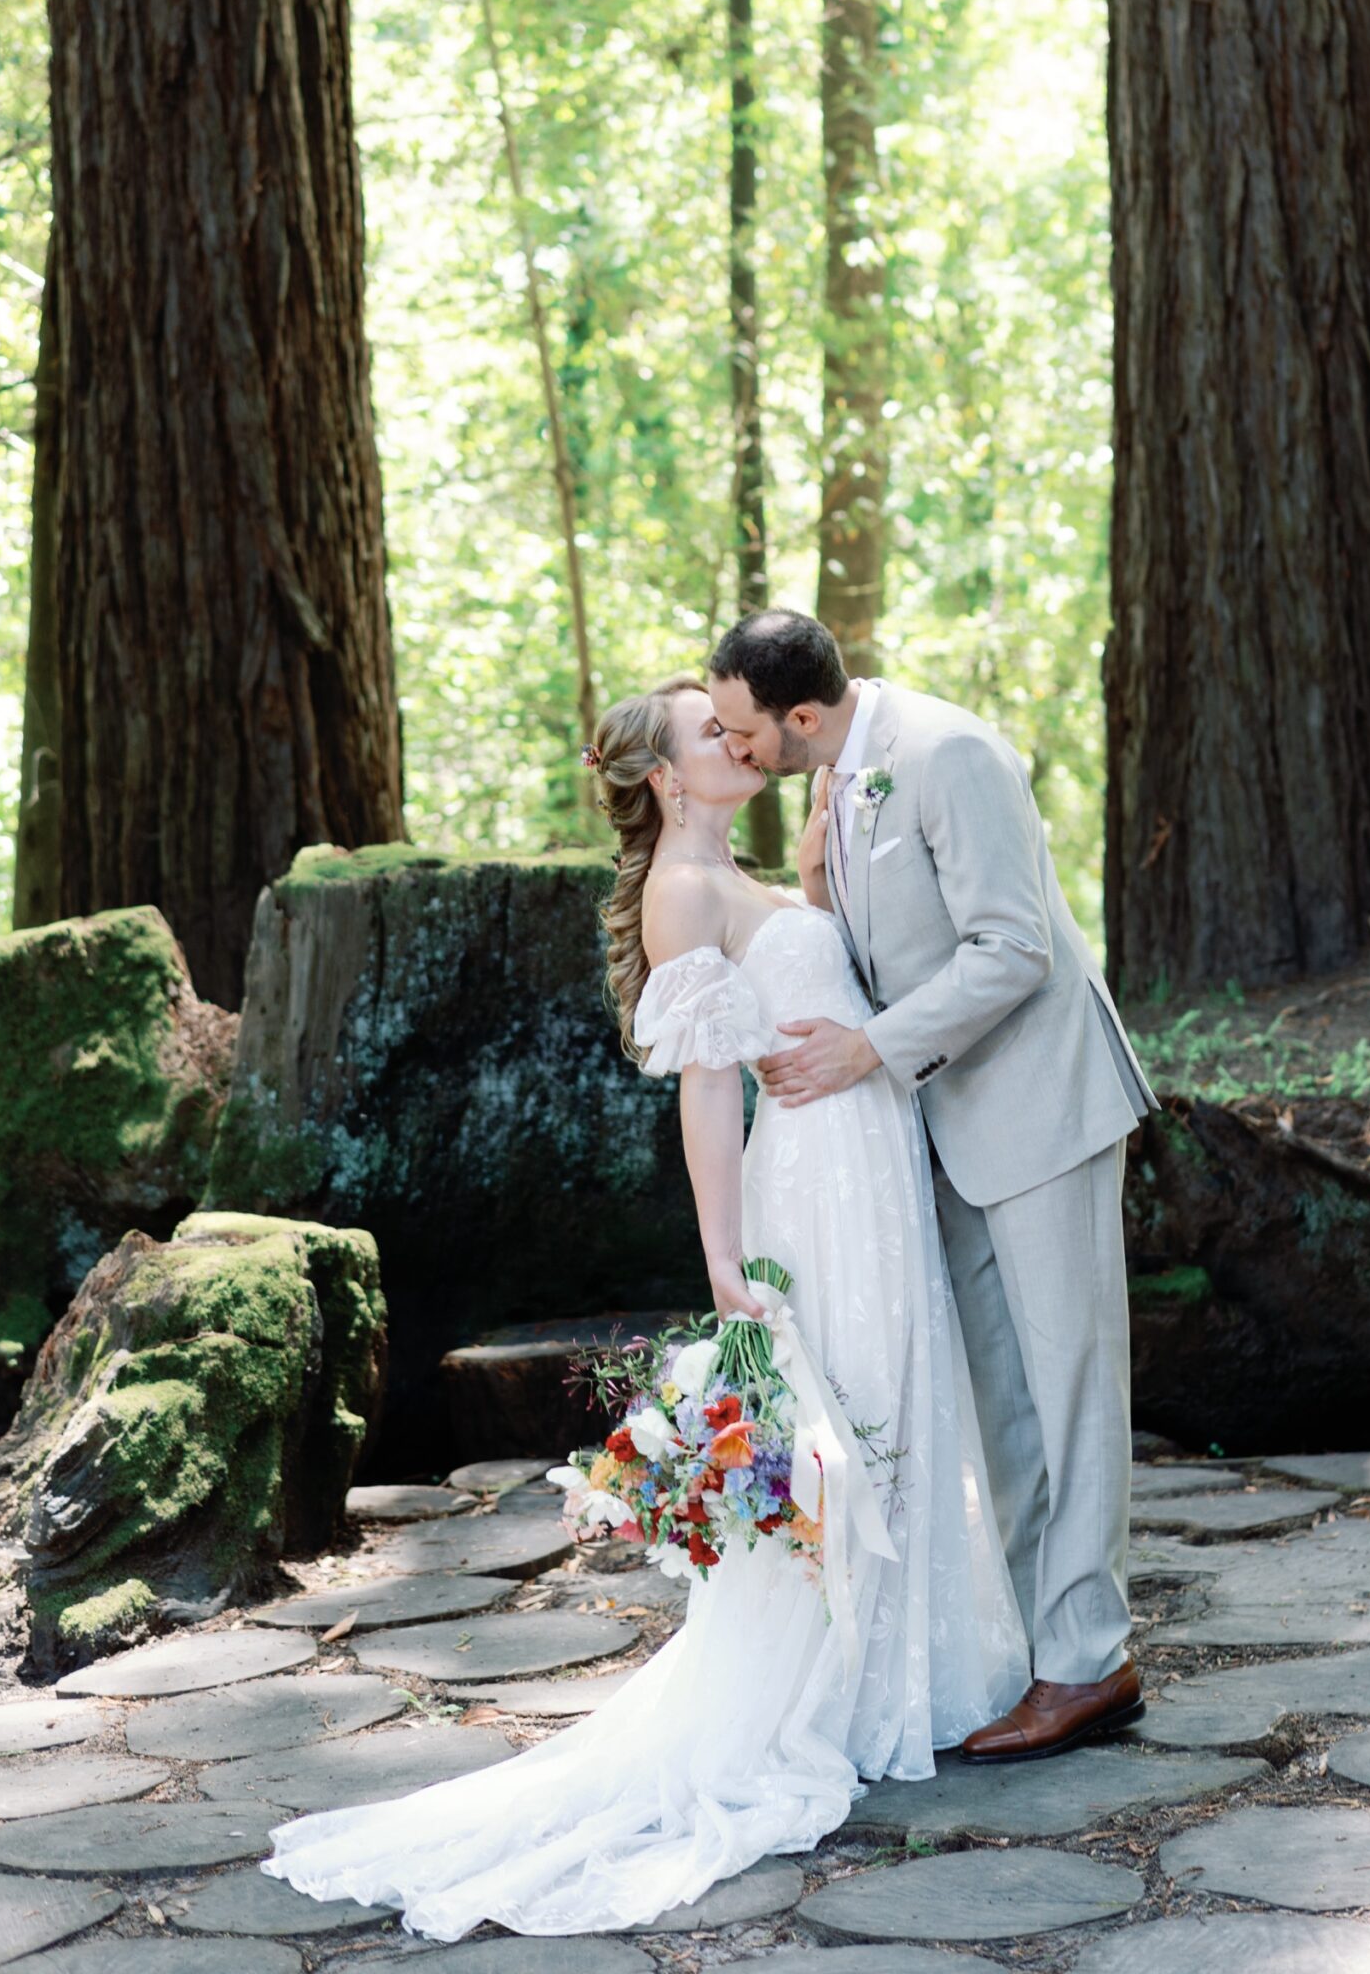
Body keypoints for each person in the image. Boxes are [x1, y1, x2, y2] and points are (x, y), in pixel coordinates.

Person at [263, 675, 1027, 1940]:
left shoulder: (748, 866)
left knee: (896, 1407)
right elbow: (704, 1090)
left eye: (732, 727)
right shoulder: (682, 889)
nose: (734, 740)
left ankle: (907, 1680)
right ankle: (822, 1694)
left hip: (875, 1163)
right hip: (815, 1184)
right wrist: (723, 1260)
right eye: (708, 735)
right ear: (668, 777)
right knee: (842, 1424)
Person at [708, 609, 1154, 1761]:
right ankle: (1041, 1651)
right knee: (1003, 1406)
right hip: (947, 1126)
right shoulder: (840, 781)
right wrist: (813, 889)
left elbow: (1013, 949)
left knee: (1070, 1392)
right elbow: (891, 949)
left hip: (1039, 1106)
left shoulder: (945, 752)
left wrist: (868, 1052)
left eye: (740, 729)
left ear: (799, 715)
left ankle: (1090, 1663)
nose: (734, 748)